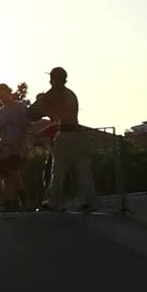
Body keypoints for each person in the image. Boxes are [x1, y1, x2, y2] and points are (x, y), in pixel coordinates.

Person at [27, 67, 98, 212]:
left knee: (58, 170)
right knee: (83, 169)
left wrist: (40, 105)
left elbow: (33, 112)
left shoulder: (53, 93)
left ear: (52, 79)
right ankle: (91, 202)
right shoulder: (71, 94)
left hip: (65, 134)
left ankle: (54, 202)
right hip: (79, 135)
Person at [0, 84, 30, 212]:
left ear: (9, 92)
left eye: (3, 94)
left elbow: (25, 126)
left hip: (16, 146)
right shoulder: (0, 112)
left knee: (14, 173)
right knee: (6, 176)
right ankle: (9, 201)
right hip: (4, 147)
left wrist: (22, 144)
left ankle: (23, 201)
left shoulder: (20, 107)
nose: (2, 98)